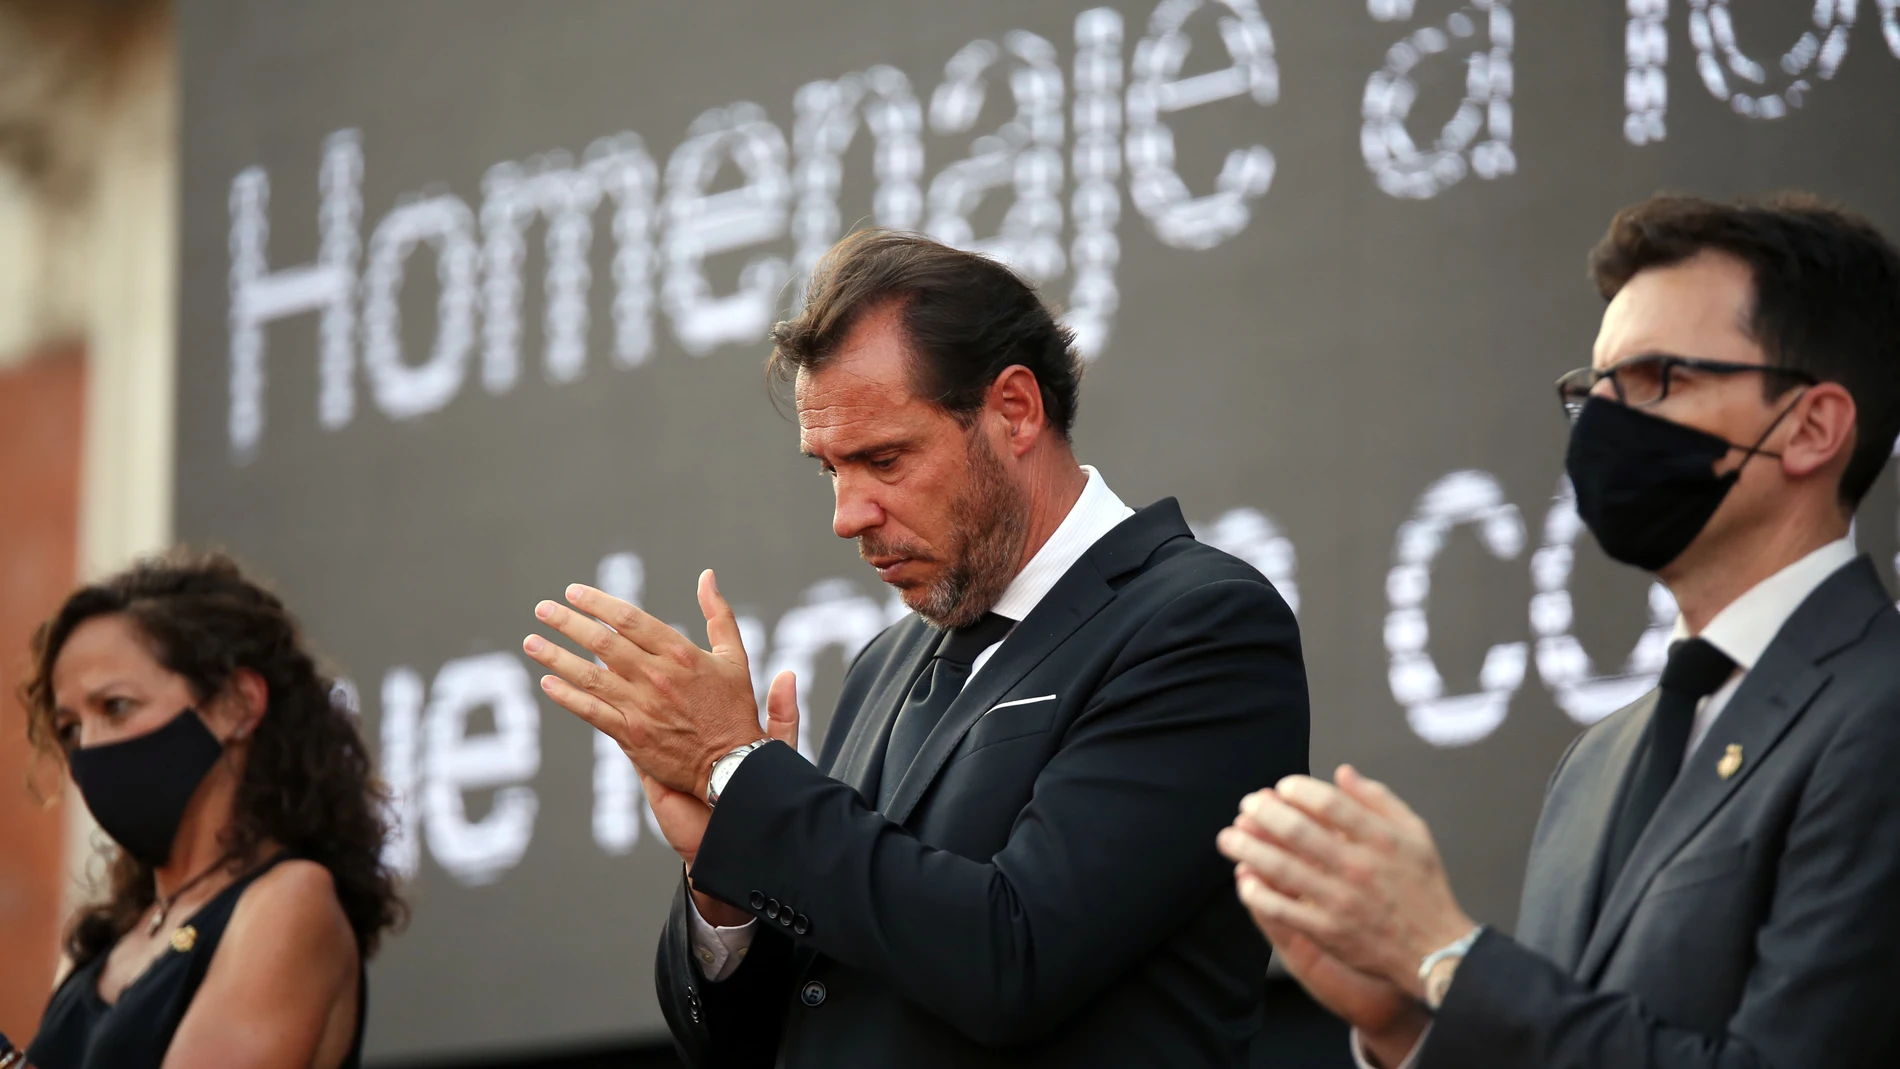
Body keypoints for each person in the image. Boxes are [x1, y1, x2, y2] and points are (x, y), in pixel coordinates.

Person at [521, 229, 1310, 1067]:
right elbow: (775, 1034)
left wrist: (741, 772)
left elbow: (1015, 959)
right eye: (829, 469)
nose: (847, 514)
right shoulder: (884, 664)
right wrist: (727, 879)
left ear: (1015, 409)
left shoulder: (1200, 624)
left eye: (884, 459)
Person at [1217, 193, 1900, 1068]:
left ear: (1812, 426)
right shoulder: (1597, 763)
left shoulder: (1877, 712)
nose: (1609, 421)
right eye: (1595, 390)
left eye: (1659, 379)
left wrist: (1451, 958)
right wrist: (1407, 1031)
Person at [20, 551, 403, 1069]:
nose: (88, 749)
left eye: (116, 707)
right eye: (69, 730)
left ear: (238, 704)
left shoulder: (289, 901)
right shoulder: (102, 943)